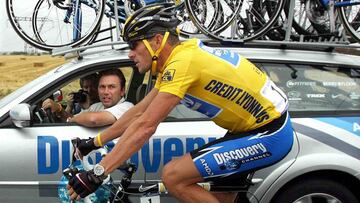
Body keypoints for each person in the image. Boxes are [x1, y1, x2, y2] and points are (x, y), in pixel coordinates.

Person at [67, 3, 294, 203]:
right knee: (220, 197)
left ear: (157, 41)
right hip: (249, 130)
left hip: (269, 133)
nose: (130, 54)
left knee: (174, 176)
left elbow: (146, 126)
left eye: (134, 45)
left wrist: (98, 171)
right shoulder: (179, 60)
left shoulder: (182, 63)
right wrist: (95, 142)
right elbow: (140, 111)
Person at [67, 68, 134, 127]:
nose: (106, 92)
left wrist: (73, 120)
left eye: (111, 87)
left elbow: (93, 120)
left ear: (122, 91)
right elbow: (71, 118)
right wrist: (61, 109)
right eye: (102, 87)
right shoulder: (96, 106)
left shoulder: (127, 107)